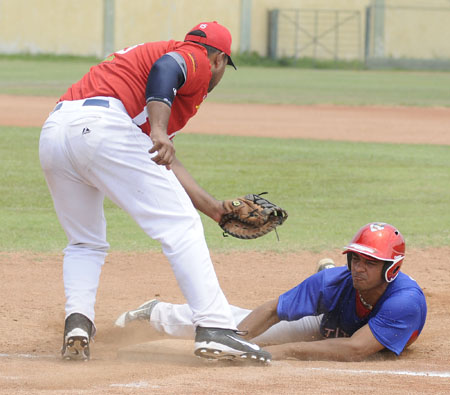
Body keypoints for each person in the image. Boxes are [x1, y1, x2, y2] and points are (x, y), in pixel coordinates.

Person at [39, 21, 271, 363]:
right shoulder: (194, 58)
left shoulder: (149, 86)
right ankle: (216, 327)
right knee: (181, 227)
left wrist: (215, 210)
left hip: (56, 133)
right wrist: (160, 130)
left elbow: (157, 158)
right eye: (223, 67)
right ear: (219, 59)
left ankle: (78, 322)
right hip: (104, 128)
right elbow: (167, 70)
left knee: (85, 241)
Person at [116, 222, 427, 361]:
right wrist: (235, 342)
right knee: (231, 321)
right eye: (355, 259)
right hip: (327, 320)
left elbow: (356, 349)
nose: (358, 267)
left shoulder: (404, 302)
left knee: (286, 340)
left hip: (350, 331)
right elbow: (272, 309)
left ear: (391, 268)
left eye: (370, 263)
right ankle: (155, 313)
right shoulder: (334, 282)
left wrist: (286, 352)